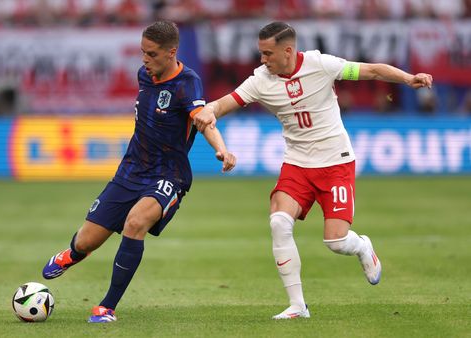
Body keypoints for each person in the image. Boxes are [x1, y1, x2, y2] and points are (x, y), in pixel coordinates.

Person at [193, 21, 433, 320]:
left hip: (336, 162)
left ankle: (361, 247)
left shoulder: (322, 65)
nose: (262, 59)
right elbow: (224, 103)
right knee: (279, 222)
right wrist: (207, 110)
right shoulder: (260, 80)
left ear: (288, 51)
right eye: (261, 53)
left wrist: (409, 78)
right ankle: (298, 306)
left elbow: (371, 70)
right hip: (297, 163)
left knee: (336, 241)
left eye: (268, 53)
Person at [42, 21, 236, 323]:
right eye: (142, 52)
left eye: (152, 54)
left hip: (169, 174)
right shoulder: (144, 74)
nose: (145, 59)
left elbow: (203, 118)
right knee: (86, 242)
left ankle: (106, 307)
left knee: (136, 223)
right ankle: (72, 255)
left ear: (171, 52)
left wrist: (221, 148)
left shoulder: (187, 83)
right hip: (131, 170)